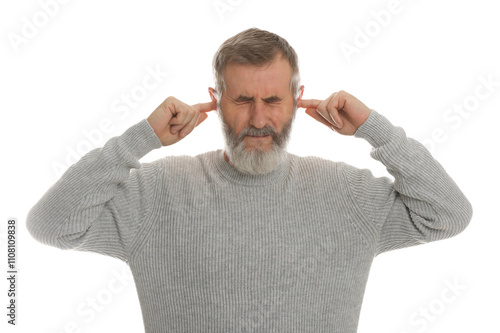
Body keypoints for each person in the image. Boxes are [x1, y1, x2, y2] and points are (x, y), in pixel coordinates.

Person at [27, 27, 472, 332]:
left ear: (298, 100)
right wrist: (136, 141)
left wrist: (375, 128)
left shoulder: (346, 194)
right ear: (214, 101)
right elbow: (50, 225)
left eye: (273, 99)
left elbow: (448, 215)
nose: (259, 119)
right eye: (241, 100)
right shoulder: (156, 193)